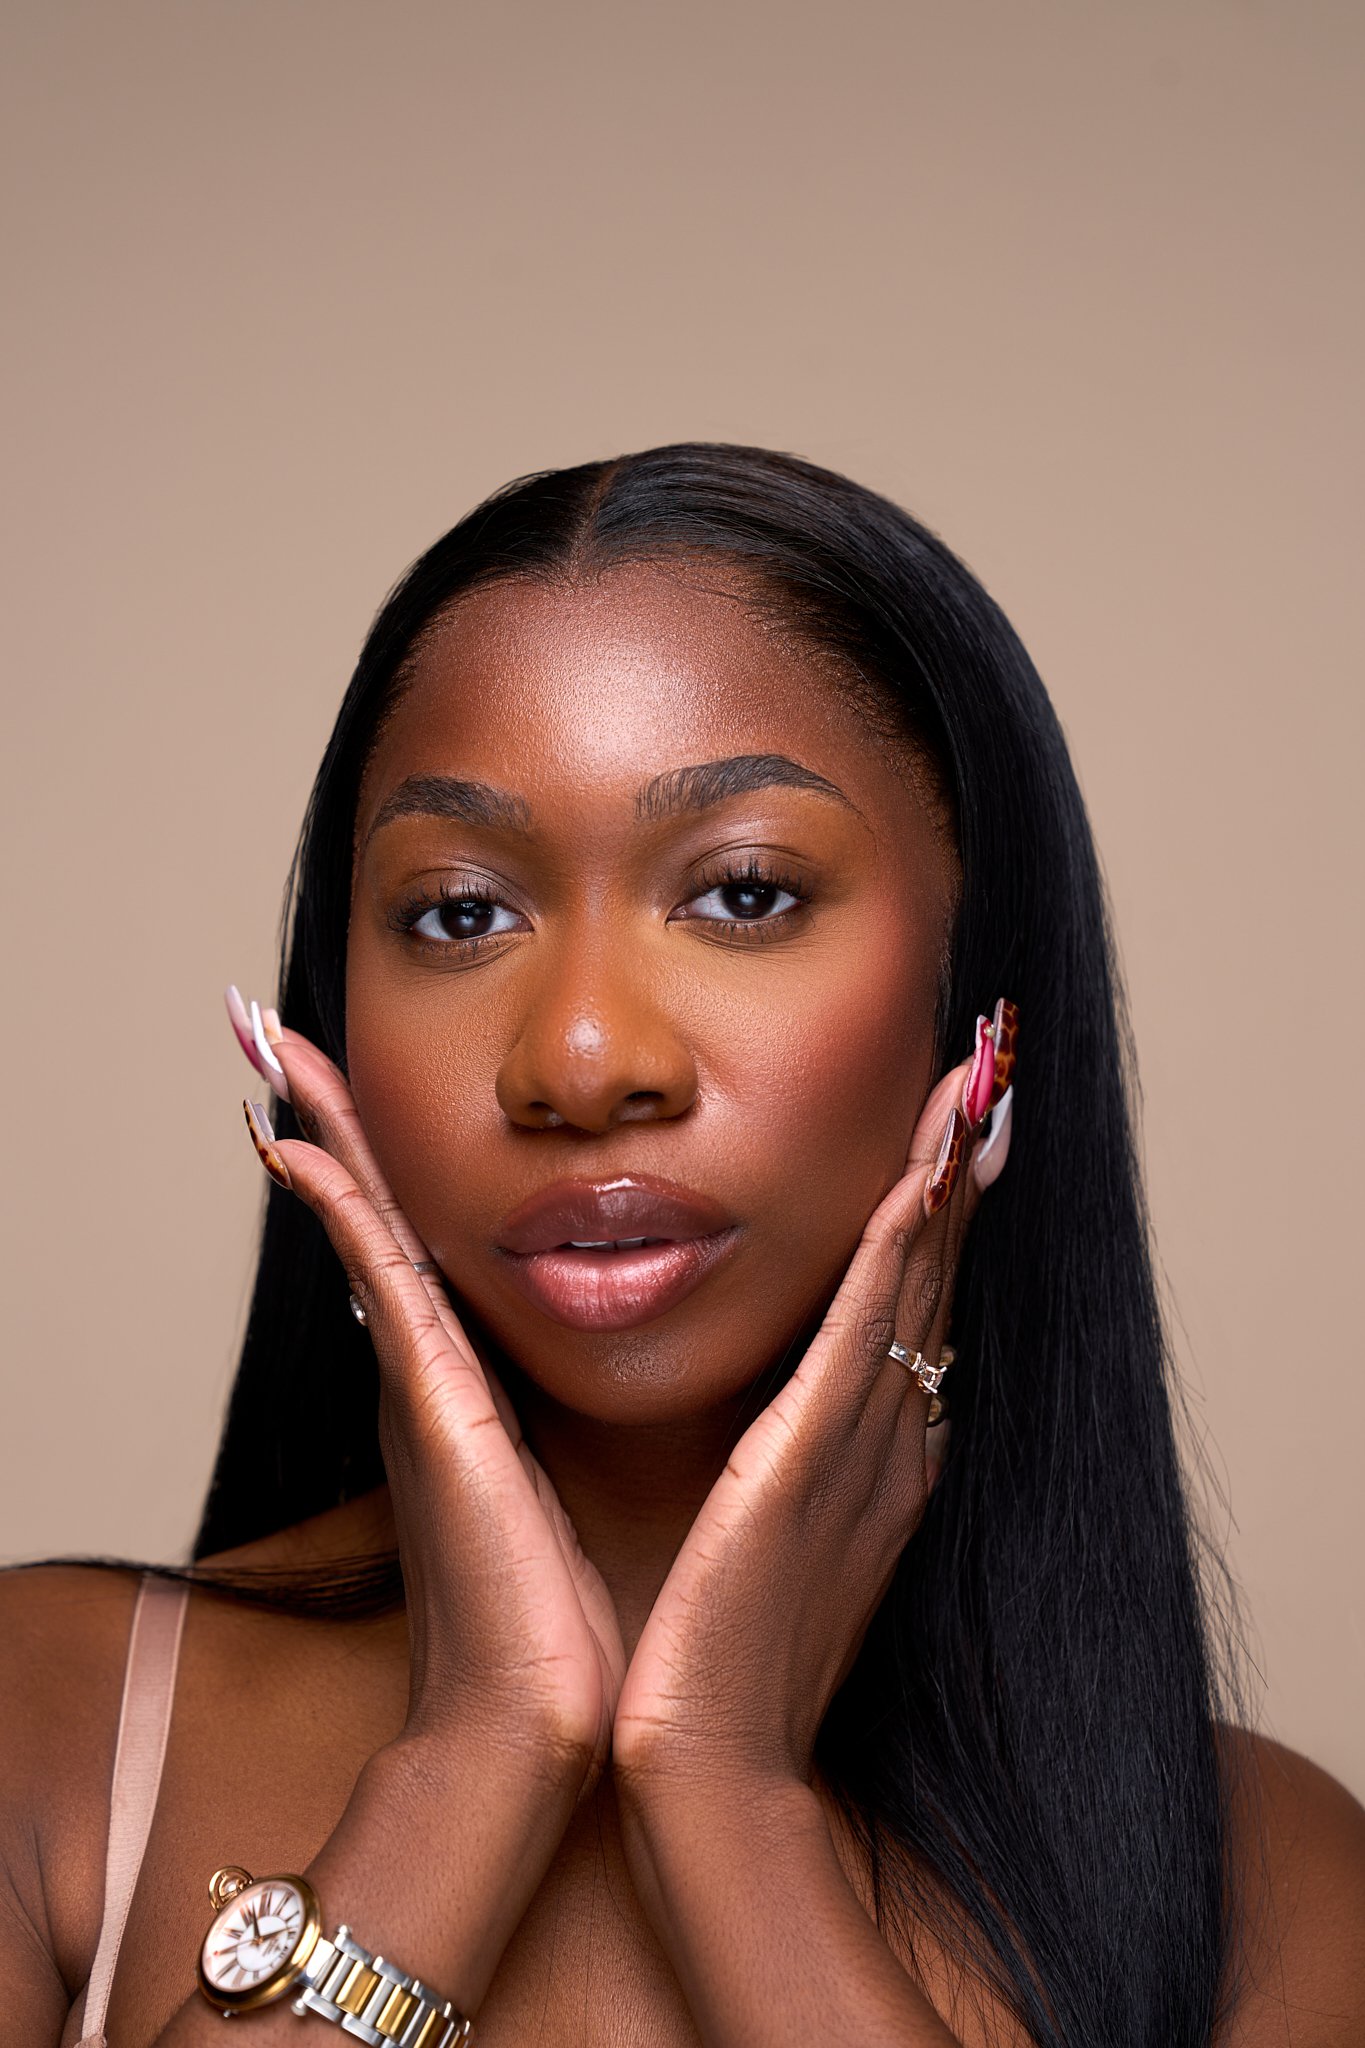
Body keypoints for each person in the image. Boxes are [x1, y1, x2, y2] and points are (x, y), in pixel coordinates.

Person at [3, 444, 1362, 2048]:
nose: (579, 1060)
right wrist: (476, 1758)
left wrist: (733, 1804)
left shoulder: (1269, 1884)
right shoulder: (47, 1731)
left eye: (740, 894)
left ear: (980, 1005)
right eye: (456, 912)